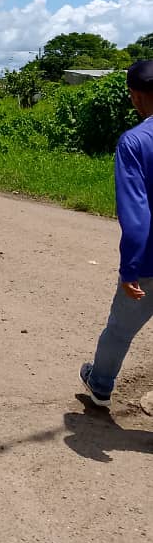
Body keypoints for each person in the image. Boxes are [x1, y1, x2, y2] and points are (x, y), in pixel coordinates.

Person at [80, 60, 153, 407]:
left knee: (120, 330)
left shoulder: (135, 142)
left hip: (149, 263)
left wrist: (129, 269)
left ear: (136, 96)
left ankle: (101, 386)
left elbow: (137, 216)